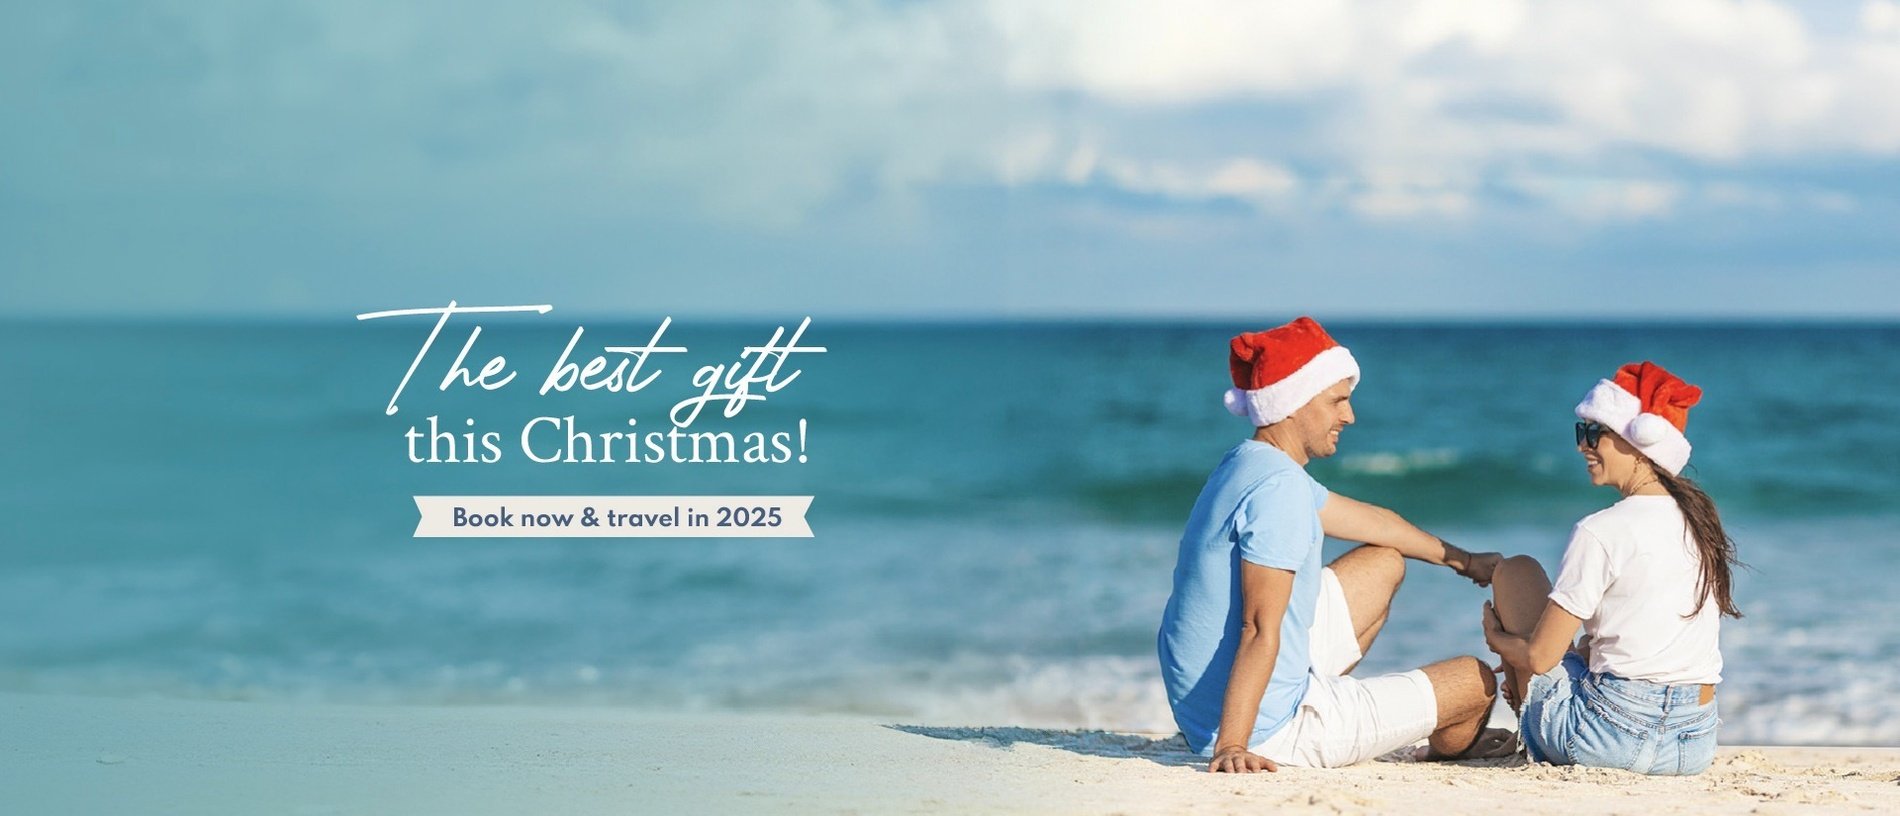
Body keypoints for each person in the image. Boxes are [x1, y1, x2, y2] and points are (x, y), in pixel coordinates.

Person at [1157, 316, 1513, 775]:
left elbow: (1376, 523)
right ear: (1293, 402)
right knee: (1475, 682)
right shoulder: (1279, 493)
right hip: (1270, 728)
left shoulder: (1251, 463)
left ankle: (1332, 705)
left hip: (1203, 706)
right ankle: (1387, 735)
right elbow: (1258, 627)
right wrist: (1232, 745)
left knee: (1384, 561)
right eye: (1337, 401)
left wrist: (1462, 560)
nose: (1350, 416)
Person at [1481, 361, 1741, 776]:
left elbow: (1540, 657)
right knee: (1581, 650)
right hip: (1692, 744)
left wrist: (1499, 642)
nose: (1582, 446)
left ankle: (1527, 732)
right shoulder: (1701, 523)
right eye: (1581, 432)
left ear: (1639, 443)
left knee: (1516, 571)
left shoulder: (1600, 530)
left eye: (1593, 433)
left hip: (1608, 737)